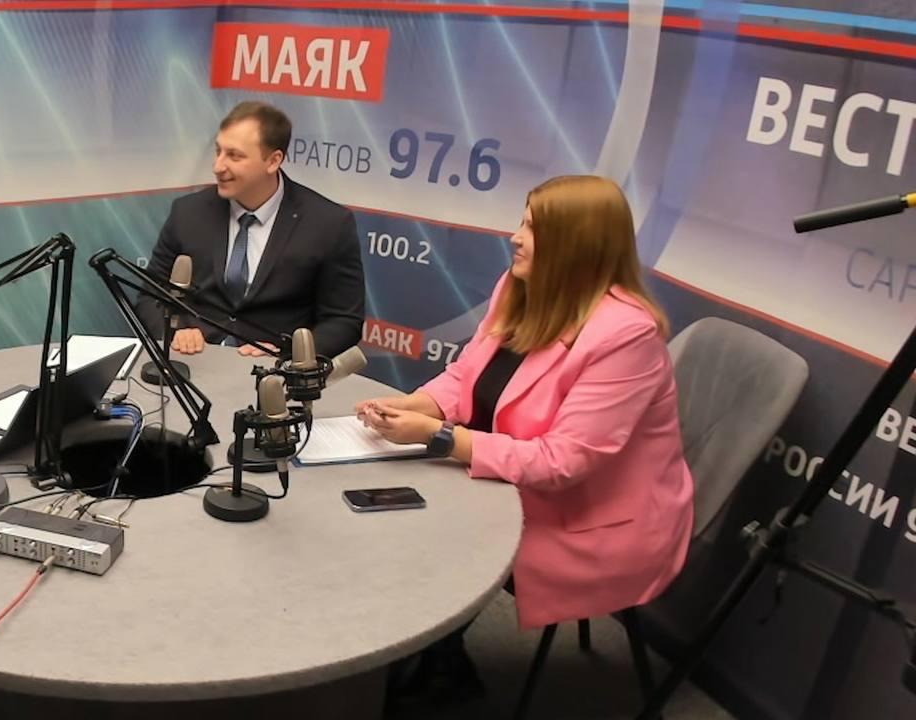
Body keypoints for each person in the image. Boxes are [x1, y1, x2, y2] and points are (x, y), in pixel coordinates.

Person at [359, 174, 694, 630]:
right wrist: (415, 406)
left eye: (533, 229)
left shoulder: (626, 335)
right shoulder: (518, 286)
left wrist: (441, 438)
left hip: (592, 522)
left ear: (576, 245)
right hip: (512, 486)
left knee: (431, 538)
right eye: (522, 222)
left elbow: (564, 461)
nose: (516, 238)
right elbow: (467, 376)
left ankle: (436, 659)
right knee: (393, 511)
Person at [135, 101, 365, 358]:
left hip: (275, 372)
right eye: (218, 151)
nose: (218, 166)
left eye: (234, 156)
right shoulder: (188, 212)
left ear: (273, 161)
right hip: (194, 364)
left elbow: (344, 321)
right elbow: (150, 296)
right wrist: (175, 333)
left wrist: (289, 354)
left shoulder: (328, 224)